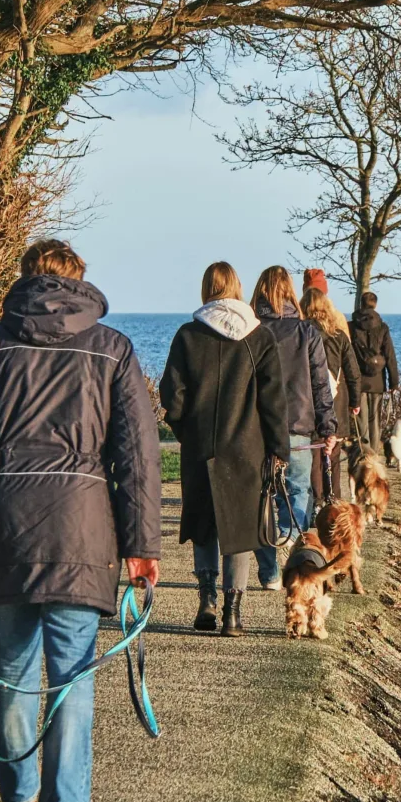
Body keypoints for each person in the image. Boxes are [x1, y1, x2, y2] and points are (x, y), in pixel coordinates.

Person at [0, 240, 160, 802]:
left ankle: (20, 791)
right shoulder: (112, 349)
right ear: (79, 282)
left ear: (26, 279)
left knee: (13, 662)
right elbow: (137, 457)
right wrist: (142, 544)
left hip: (1, 519)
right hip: (80, 522)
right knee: (73, 669)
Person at [160, 262, 289, 635]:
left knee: (204, 525)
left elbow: (173, 395)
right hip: (247, 447)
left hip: (200, 444)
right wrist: (277, 447)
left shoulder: (187, 335)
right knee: (239, 529)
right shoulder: (259, 337)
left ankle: (206, 601)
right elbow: (273, 401)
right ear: (236, 288)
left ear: (206, 289)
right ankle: (233, 611)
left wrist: (184, 429)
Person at [248, 265, 336, 588]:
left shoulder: (251, 331)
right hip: (298, 428)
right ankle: (290, 547)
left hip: (257, 428)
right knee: (297, 492)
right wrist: (328, 428)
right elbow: (320, 386)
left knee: (260, 498)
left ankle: (269, 570)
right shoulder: (307, 333)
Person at [300, 270, 360, 502]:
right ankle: (334, 501)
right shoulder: (339, 335)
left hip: (309, 400)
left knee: (314, 454)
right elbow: (353, 372)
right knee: (333, 456)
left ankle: (316, 503)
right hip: (336, 401)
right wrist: (354, 402)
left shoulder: (300, 333)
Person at [348, 288, 399, 452]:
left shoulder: (351, 326)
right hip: (377, 380)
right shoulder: (383, 327)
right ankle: (375, 453)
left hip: (358, 380)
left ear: (361, 304)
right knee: (375, 419)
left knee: (361, 419)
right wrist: (394, 382)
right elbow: (390, 356)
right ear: (375, 305)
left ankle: (364, 452)